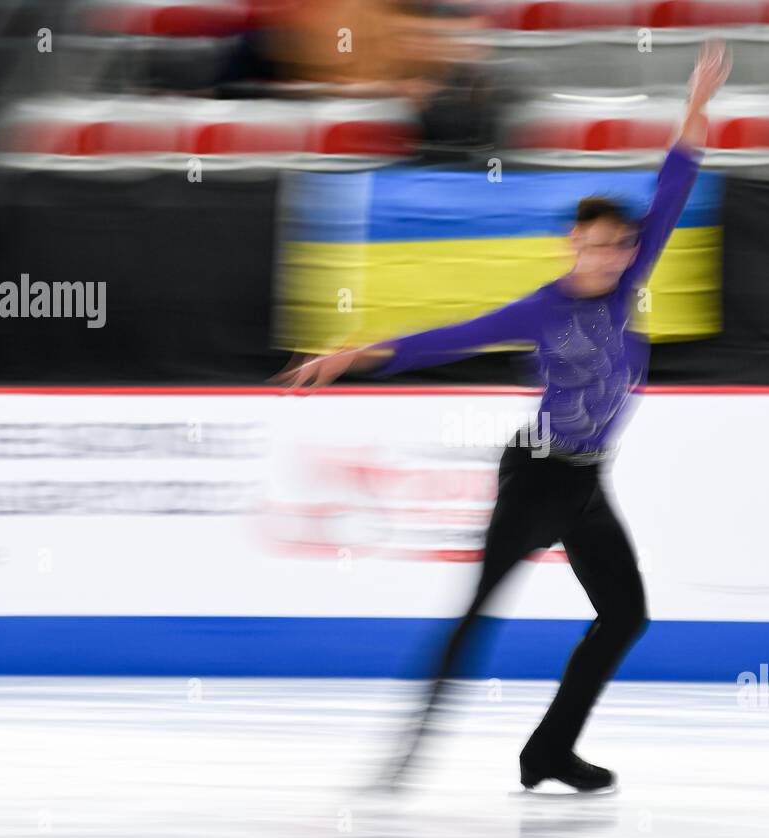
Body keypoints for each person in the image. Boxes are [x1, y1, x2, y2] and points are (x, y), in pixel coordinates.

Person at [274, 42, 731, 791]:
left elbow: (676, 181)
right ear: (570, 246)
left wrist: (696, 103)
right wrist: (347, 357)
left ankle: (548, 751)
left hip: (586, 483)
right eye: (592, 245)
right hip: (538, 475)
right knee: (479, 610)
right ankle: (408, 750)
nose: (607, 257)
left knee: (624, 616)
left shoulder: (626, 282)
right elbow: (444, 339)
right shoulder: (542, 309)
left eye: (618, 246)